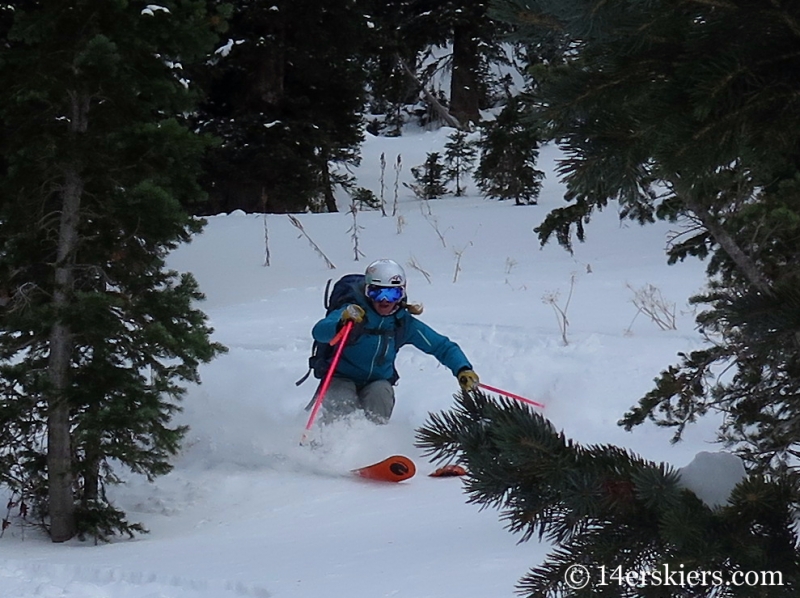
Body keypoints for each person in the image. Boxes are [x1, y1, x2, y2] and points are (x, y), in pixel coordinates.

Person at [311, 259, 479, 424]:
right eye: (377, 293)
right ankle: (328, 445)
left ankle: (369, 443)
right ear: (367, 292)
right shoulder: (353, 313)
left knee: (381, 395)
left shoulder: (403, 323)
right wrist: (342, 325)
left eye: (392, 293)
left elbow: (441, 346)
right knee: (341, 401)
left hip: (376, 382)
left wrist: (462, 368)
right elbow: (319, 331)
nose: (384, 300)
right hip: (340, 377)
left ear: (402, 293)